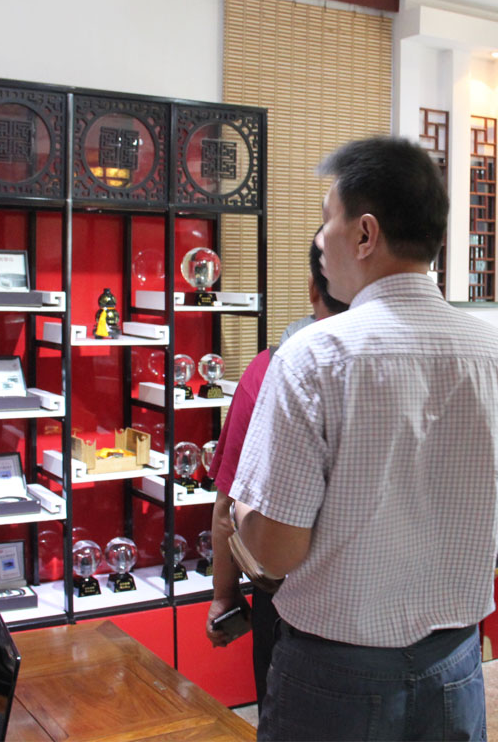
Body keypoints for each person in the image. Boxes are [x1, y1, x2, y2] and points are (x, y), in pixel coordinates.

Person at [228, 136, 498, 741]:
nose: (320, 240)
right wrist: (435, 548)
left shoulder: (313, 356)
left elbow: (275, 550)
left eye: (327, 220)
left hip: (332, 673)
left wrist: (242, 514)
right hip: (455, 662)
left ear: (365, 234)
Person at [205, 227, 349, 708]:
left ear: (313, 288)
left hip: (286, 594)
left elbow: (227, 505)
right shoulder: (400, 364)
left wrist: (224, 597)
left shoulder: (269, 368)